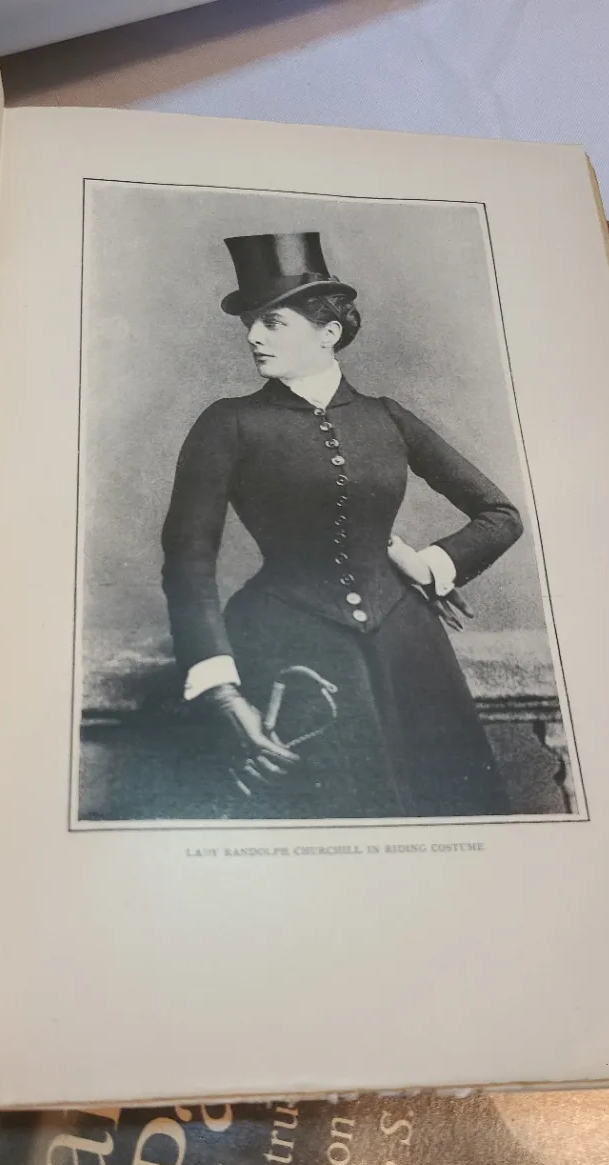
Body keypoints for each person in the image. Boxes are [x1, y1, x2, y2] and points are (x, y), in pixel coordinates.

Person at [161, 231, 523, 819]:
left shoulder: (387, 418)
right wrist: (220, 689)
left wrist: (429, 564)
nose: (253, 336)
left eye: (272, 322)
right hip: (285, 644)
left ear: (328, 333)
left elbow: (500, 516)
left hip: (410, 651)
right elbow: (188, 561)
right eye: (250, 323)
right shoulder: (228, 424)